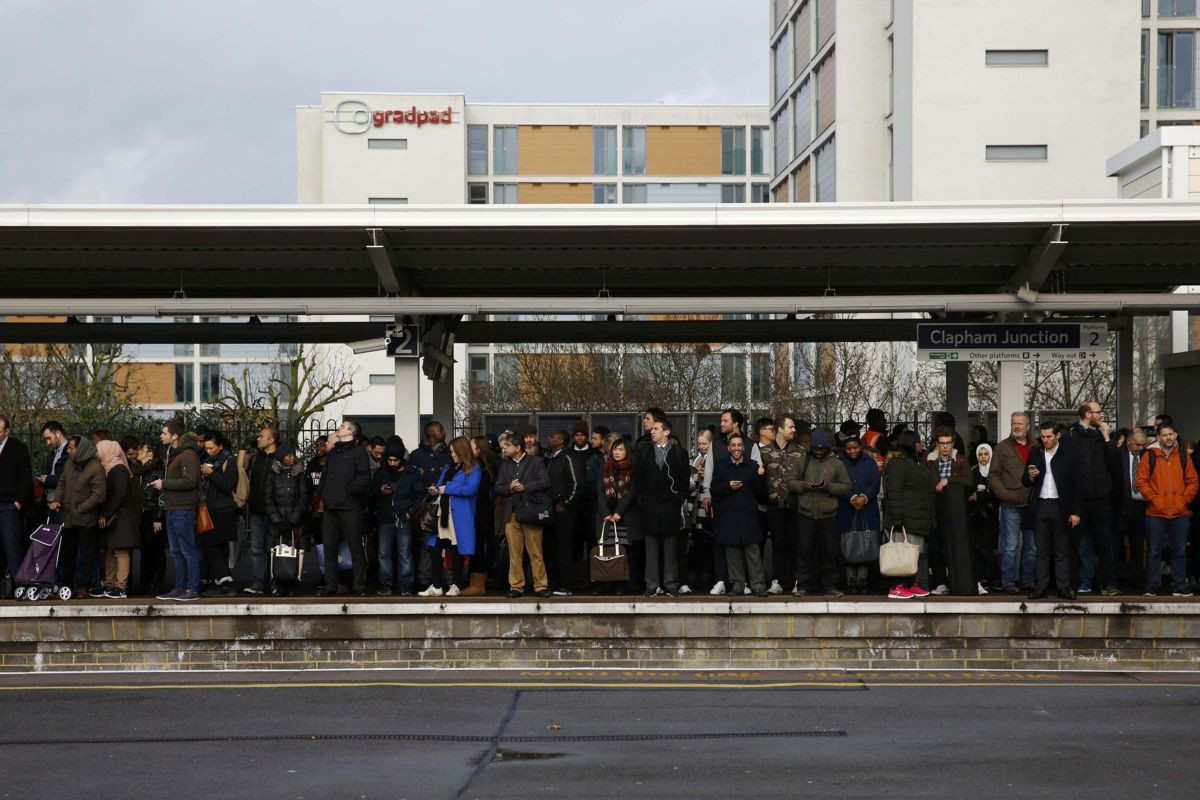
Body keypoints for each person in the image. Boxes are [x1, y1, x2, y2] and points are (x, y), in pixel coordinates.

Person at [1136, 422, 1198, 597]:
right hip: (1155, 513)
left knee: (1179, 551)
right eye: (1164, 435)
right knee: (1154, 551)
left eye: (1171, 434)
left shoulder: (1184, 457)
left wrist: (1182, 501)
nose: (1168, 437)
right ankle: (1152, 586)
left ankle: (1179, 586)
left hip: (1180, 513)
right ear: (1158, 437)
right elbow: (1141, 481)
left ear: (1176, 435)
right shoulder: (1150, 456)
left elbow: (1193, 482)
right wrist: (1156, 500)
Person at [1022, 422, 1082, 600]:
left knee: (1062, 550)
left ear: (1058, 436)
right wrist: (1030, 476)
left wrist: (1076, 512)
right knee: (1041, 550)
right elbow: (1024, 480)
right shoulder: (1036, 452)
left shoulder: (1069, 455)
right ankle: (1041, 587)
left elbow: (1077, 486)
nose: (1045, 440)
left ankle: (1063, 587)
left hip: (1060, 507)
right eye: (1042, 436)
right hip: (1040, 505)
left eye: (1048, 436)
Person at [789, 429, 851, 597]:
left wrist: (828, 487)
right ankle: (805, 585)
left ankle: (830, 585)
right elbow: (790, 482)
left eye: (822, 448)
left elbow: (846, 486)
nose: (818, 451)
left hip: (828, 514)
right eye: (816, 448)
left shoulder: (836, 463)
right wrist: (804, 485)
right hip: (805, 513)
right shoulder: (802, 460)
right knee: (804, 550)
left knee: (829, 552)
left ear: (827, 448)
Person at [315, 420, 372, 597]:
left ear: (350, 432)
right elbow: (324, 476)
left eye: (342, 426)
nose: (338, 428)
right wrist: (322, 495)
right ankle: (330, 585)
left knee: (355, 548)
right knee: (329, 548)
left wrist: (347, 491)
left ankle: (359, 585)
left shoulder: (358, 452)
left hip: (350, 508)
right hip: (331, 508)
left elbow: (364, 477)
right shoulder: (334, 452)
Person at [1067, 402, 1119, 596]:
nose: (1102, 415)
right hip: (1080, 498)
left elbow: (1114, 463)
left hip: (1101, 498)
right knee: (1078, 543)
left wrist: (1107, 438)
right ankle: (1079, 582)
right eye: (1098, 412)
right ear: (1088, 414)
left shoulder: (1101, 436)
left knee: (1105, 542)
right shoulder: (1071, 435)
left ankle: (1108, 583)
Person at [635, 418, 689, 597]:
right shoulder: (644, 452)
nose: (652, 431)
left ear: (666, 432)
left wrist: (678, 498)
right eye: (652, 429)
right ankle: (651, 584)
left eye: (656, 429)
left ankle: (670, 584)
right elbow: (638, 479)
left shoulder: (679, 452)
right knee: (651, 548)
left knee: (670, 547)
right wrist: (642, 500)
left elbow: (683, 479)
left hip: (670, 506)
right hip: (650, 506)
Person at [711, 433, 768, 597]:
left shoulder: (752, 465)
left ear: (743, 447)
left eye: (739, 445)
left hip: (748, 515)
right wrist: (728, 487)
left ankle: (758, 586)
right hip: (728, 516)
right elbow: (714, 490)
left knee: (753, 552)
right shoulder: (721, 466)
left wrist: (761, 476)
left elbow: (761, 492)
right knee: (732, 553)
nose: (736, 448)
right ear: (729, 448)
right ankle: (737, 586)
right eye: (733, 445)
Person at [494, 434, 552, 598]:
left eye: (508, 445)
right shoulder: (505, 465)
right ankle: (516, 586)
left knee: (535, 552)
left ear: (518, 447)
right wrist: (510, 488)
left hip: (531, 512)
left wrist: (524, 487)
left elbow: (545, 482)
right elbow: (497, 488)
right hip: (511, 513)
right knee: (514, 553)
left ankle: (541, 586)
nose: (504, 448)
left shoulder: (536, 461)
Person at [152, 422, 202, 602]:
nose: (161, 436)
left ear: (174, 436)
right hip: (173, 509)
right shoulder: (175, 455)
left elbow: (189, 481)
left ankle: (192, 588)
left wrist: (164, 484)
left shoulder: (187, 456)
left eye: (164, 433)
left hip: (183, 510)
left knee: (187, 550)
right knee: (175, 551)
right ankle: (180, 587)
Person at [883, 432, 936, 599]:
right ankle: (896, 586)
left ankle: (909, 584)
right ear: (911, 444)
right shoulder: (898, 464)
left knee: (913, 555)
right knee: (900, 553)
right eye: (919, 442)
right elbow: (894, 492)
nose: (922, 445)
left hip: (916, 517)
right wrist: (898, 518)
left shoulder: (913, 463)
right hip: (904, 519)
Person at [990, 412, 1037, 594]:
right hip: (1011, 505)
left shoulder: (1037, 446)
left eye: (1020, 423)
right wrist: (1004, 494)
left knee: (1032, 546)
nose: (1017, 426)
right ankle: (1008, 582)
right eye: (1014, 423)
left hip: (1032, 504)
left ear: (1027, 426)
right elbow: (993, 475)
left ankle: (1028, 581)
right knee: (1009, 547)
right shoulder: (1002, 448)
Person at [924, 426, 973, 596]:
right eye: (942, 443)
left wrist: (948, 480)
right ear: (937, 444)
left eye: (948, 443)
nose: (945, 447)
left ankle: (958, 581)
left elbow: (968, 480)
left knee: (956, 546)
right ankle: (940, 582)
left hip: (955, 510)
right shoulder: (929, 461)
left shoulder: (960, 460)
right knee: (936, 547)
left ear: (953, 443)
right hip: (934, 508)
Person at [56, 435, 106, 600]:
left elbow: (98, 495)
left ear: (81, 449)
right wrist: (57, 499)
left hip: (85, 519)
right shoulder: (70, 464)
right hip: (69, 517)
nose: (68, 451)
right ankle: (66, 583)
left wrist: (80, 509)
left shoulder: (96, 468)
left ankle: (82, 586)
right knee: (67, 552)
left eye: (71, 448)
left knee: (85, 554)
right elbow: (62, 482)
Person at [370, 442, 421, 596]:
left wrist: (410, 513)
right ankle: (386, 584)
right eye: (390, 460)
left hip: (403, 517)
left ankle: (406, 584)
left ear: (401, 459)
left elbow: (418, 496)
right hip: (385, 516)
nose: (392, 463)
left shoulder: (411, 474)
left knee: (404, 553)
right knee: (384, 553)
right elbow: (371, 492)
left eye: (395, 460)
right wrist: (379, 491)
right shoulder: (381, 473)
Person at [761, 414, 804, 596]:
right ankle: (777, 580)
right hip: (774, 506)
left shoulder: (801, 452)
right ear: (779, 429)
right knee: (778, 544)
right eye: (790, 427)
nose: (794, 430)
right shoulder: (764, 453)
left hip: (795, 506)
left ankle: (795, 581)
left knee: (794, 544)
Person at [95, 440, 141, 599]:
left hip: (121, 517)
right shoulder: (110, 468)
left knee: (121, 551)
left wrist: (105, 513)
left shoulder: (118, 469)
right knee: (110, 550)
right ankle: (110, 583)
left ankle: (120, 586)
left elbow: (120, 493)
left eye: (99, 449)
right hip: (116, 516)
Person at [263, 444, 310, 597]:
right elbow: (268, 498)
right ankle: (276, 583)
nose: (292, 458)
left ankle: (292, 583)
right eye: (289, 455)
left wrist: (292, 520)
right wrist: (277, 519)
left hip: (295, 523)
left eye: (293, 455)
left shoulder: (300, 475)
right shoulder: (272, 474)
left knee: (294, 552)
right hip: (276, 522)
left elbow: (304, 498)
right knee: (275, 552)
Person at [837, 435, 881, 595]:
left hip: (867, 509)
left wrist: (864, 497)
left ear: (860, 447)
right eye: (849, 449)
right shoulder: (839, 462)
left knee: (865, 543)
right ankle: (850, 581)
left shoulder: (869, 462)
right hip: (846, 509)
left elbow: (875, 483)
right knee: (849, 544)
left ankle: (863, 580)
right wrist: (852, 498)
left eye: (855, 447)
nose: (852, 451)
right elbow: (837, 483)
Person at [596, 436, 637, 595]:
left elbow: (631, 492)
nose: (617, 452)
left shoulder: (632, 469)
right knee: (608, 549)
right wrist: (606, 513)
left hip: (625, 516)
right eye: (615, 449)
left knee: (624, 550)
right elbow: (599, 491)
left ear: (627, 451)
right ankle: (607, 582)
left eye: (621, 449)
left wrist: (619, 512)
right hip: (606, 517)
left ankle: (623, 583)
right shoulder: (606, 467)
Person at [198, 432, 238, 597]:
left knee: (212, 545)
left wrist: (212, 474)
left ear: (220, 446)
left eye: (211, 448)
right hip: (210, 509)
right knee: (218, 548)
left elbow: (228, 485)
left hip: (223, 510)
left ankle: (224, 579)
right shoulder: (207, 459)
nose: (208, 451)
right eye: (206, 448)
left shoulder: (229, 460)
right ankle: (222, 582)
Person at [544, 430, 581, 596]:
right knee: (549, 548)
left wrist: (565, 503)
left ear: (560, 440)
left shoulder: (568, 457)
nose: (548, 438)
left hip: (564, 511)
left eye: (551, 436)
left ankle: (566, 585)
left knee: (563, 548)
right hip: (549, 511)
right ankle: (553, 583)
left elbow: (577, 484)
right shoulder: (550, 459)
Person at [244, 424, 279, 596]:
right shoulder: (255, 459)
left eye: (262, 436)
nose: (258, 438)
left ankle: (275, 581)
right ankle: (259, 582)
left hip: (274, 511)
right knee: (257, 548)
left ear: (271, 440)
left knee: (273, 547)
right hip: (257, 508)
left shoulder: (279, 458)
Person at [0, 415, 34, 582]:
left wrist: (18, 502)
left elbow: (26, 477)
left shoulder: (18, 449)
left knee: (12, 547)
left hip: (9, 506)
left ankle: (17, 583)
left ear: (7, 431)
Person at [1115, 428, 1148, 590]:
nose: (1141, 448)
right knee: (1118, 544)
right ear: (1128, 441)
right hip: (1121, 506)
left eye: (1143, 444)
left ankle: (1136, 580)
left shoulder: (1148, 455)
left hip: (1141, 506)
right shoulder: (1117, 454)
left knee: (1137, 544)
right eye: (1137, 444)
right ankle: (1119, 578)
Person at [464, 436, 498, 596]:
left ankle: (478, 583)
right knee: (477, 546)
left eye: (471, 446)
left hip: (482, 513)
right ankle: (475, 582)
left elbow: (481, 493)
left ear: (478, 449)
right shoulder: (485, 466)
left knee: (480, 547)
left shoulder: (483, 469)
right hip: (481, 512)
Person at [133, 441, 166, 596]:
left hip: (152, 513)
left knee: (156, 550)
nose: (139, 451)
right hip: (142, 513)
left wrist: (158, 517)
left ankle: (157, 583)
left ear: (150, 453)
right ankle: (145, 582)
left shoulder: (157, 471)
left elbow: (161, 496)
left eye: (143, 449)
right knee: (145, 551)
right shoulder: (140, 470)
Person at [969, 443, 999, 592]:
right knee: (977, 548)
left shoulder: (995, 471)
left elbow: (997, 493)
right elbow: (968, 492)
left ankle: (992, 577)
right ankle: (981, 578)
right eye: (980, 454)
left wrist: (980, 495)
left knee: (988, 549)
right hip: (976, 517)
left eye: (986, 454)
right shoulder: (973, 471)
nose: (983, 457)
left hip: (991, 518)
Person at [37, 420, 70, 522]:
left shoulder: (70, 451)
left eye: (49, 438)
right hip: (49, 503)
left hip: (61, 505)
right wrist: (43, 479)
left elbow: (68, 478)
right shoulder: (54, 452)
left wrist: (48, 479)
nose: (48, 442)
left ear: (58, 434)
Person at [408, 421, 451, 486]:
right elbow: (409, 479)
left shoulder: (450, 453)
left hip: (443, 494)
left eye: (442, 429)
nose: (443, 431)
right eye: (440, 429)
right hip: (423, 494)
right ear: (429, 432)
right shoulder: (415, 454)